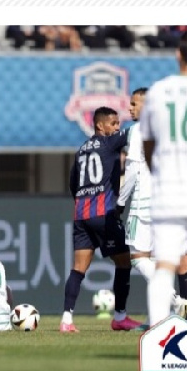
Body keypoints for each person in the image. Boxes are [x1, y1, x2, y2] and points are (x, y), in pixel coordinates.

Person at [141, 28, 187, 326]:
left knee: (164, 268)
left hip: (168, 192)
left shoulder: (158, 91)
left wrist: (160, 172)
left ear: (178, 54)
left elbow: (147, 144)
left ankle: (159, 341)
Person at [60, 106, 142, 333]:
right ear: (100, 126)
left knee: (78, 269)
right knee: (125, 261)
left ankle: (66, 319)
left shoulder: (81, 151)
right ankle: (120, 317)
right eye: (114, 123)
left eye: (118, 124)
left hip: (80, 214)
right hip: (103, 214)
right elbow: (136, 131)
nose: (117, 127)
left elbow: (73, 185)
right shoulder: (109, 143)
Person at [116, 88, 187, 319]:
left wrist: (120, 202)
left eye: (134, 103)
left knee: (139, 259)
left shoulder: (137, 131)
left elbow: (131, 171)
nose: (130, 107)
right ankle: (160, 317)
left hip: (144, 203)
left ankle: (177, 301)